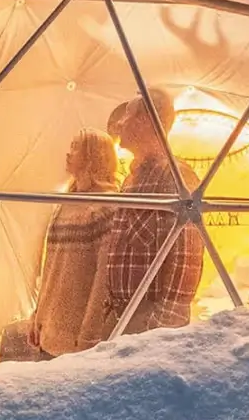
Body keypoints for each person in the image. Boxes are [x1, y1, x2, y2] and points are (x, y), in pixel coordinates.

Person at [80, 89, 204, 344]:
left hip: (148, 323)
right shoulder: (133, 178)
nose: (119, 124)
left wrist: (163, 330)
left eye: (127, 115)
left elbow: (186, 258)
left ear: (146, 120)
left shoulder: (175, 176)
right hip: (121, 316)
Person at [28, 128, 119, 357]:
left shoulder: (107, 207)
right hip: (49, 333)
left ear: (94, 156)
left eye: (76, 147)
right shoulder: (65, 203)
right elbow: (50, 268)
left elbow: (102, 280)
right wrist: (37, 315)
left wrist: (90, 335)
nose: (69, 154)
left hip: (76, 340)